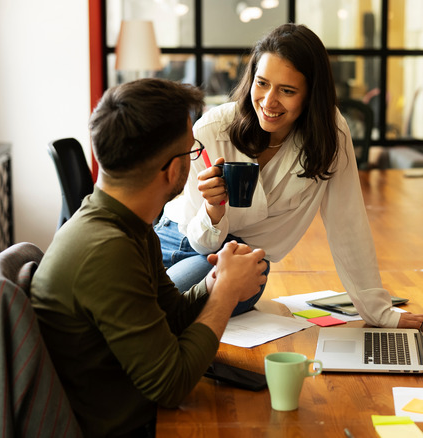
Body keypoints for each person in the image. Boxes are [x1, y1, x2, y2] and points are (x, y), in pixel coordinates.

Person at [30, 78, 267, 437]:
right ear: (173, 170)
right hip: (120, 425)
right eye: (191, 152)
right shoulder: (107, 250)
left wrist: (214, 281)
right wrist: (226, 295)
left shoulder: (126, 223)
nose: (193, 159)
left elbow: (169, 316)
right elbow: (171, 386)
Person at [155, 23, 423, 328]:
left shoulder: (329, 136)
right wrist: (213, 210)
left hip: (248, 263)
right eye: (262, 83)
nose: (269, 102)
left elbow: (347, 223)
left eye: (287, 90)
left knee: (165, 315)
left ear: (311, 95)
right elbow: (201, 242)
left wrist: (380, 313)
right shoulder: (213, 130)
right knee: (156, 313)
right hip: (183, 241)